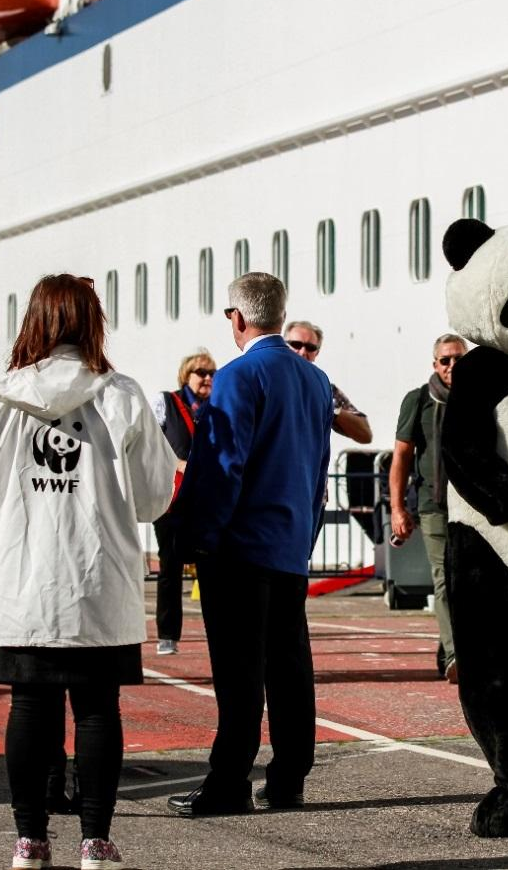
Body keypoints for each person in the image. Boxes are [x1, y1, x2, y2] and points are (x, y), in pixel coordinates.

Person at [0, 273, 175, 870]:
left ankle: (29, 840)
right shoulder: (122, 394)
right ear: (91, 323)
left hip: (26, 579)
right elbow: (157, 496)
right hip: (99, 580)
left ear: (36, 322)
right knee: (98, 708)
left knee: (30, 707)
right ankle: (96, 841)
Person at [167, 273, 333, 818]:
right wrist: (303, 538)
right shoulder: (314, 380)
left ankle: (229, 781)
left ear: (236, 318)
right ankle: (289, 777)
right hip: (289, 545)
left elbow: (221, 466)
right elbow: (317, 473)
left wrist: (196, 536)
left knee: (239, 674)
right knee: (289, 668)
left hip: (239, 547)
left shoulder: (238, 376)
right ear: (281, 316)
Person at [389, 333, 467, 683]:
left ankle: (447, 644)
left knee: (467, 581)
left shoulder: (482, 398)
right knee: (444, 579)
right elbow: (402, 457)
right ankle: (455, 656)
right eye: (446, 360)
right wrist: (397, 509)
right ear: (435, 365)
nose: (452, 366)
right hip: (434, 505)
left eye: (459, 359)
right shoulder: (419, 400)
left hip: (476, 507)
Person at [150, 349, 217, 656]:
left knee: (212, 569)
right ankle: (167, 634)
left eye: (211, 373)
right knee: (170, 566)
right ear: (185, 375)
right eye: (201, 372)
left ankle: (219, 635)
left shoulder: (218, 408)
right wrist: (176, 462)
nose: (207, 378)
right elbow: (150, 441)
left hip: (207, 500)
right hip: (172, 499)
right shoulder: (166, 402)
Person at [284, 320, 372, 444]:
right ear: (283, 346)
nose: (303, 352)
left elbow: (365, 435)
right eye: (296, 344)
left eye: (310, 347)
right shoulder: (264, 379)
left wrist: (332, 410)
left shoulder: (325, 390)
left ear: (316, 353)